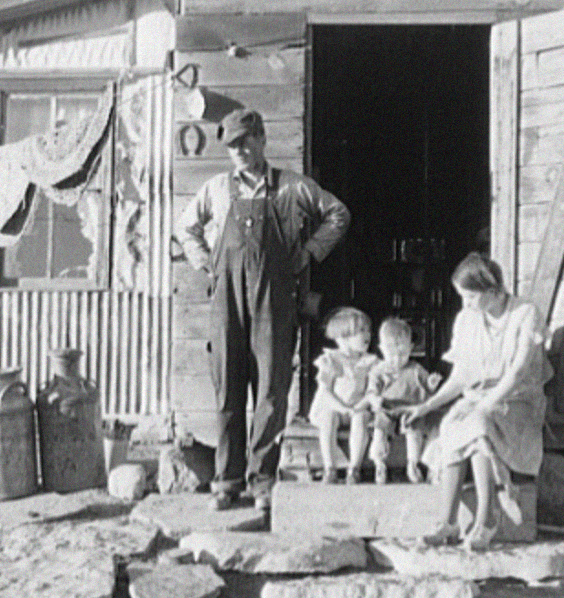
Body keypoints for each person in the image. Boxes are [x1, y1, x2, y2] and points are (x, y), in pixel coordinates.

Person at [175, 108, 350, 511]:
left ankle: (263, 480)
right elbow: (185, 228)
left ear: (261, 140)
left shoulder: (292, 188)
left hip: (275, 296)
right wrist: (205, 264)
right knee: (228, 387)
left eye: (244, 143)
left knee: (271, 388)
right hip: (227, 298)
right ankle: (227, 479)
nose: (238, 152)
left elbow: (338, 214)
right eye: (231, 146)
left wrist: (309, 252)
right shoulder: (216, 189)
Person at [402, 252, 553, 550]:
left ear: (493, 291)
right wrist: (426, 406)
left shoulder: (525, 313)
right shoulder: (467, 320)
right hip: (479, 397)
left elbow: (518, 372)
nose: (465, 304)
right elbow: (461, 376)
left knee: (478, 423)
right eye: (462, 297)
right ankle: (448, 522)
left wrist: (483, 407)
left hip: (519, 400)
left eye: (470, 297)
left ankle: (486, 518)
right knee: (453, 423)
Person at [358, 317, 440, 484]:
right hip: (387, 409)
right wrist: (376, 400)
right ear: (381, 349)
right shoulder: (378, 371)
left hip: (411, 410)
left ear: (411, 348)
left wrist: (431, 384)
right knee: (379, 431)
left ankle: (413, 463)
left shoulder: (416, 369)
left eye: (402, 353)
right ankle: (379, 463)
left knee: (414, 432)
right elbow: (371, 392)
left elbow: (428, 389)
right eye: (391, 354)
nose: (397, 359)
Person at [308, 307, 379, 485]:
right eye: (361, 331)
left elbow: (371, 390)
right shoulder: (331, 360)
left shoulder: (369, 362)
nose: (367, 335)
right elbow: (325, 391)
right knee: (328, 418)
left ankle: (354, 468)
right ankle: (330, 467)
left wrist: (359, 406)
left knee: (361, 418)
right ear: (343, 338)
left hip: (357, 407)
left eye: (368, 330)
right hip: (333, 407)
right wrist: (343, 408)